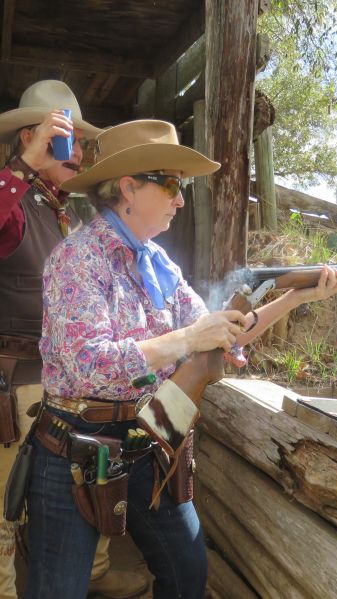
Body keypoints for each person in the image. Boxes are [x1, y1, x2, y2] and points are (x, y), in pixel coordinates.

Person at [24, 119, 337, 599]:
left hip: (150, 435)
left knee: (187, 574)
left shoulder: (159, 263)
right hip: (74, 447)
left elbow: (217, 334)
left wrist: (296, 297)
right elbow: (90, 364)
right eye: (172, 185)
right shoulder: (76, 258)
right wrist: (186, 338)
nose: (180, 200)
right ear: (128, 188)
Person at [0, 80, 148, 599]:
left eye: (80, 142)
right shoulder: (13, 199)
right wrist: (22, 168)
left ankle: (93, 574)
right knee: (4, 508)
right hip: (16, 383)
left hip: (70, 384)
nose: (77, 152)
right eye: (65, 138)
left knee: (84, 486)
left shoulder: (62, 210)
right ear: (30, 137)